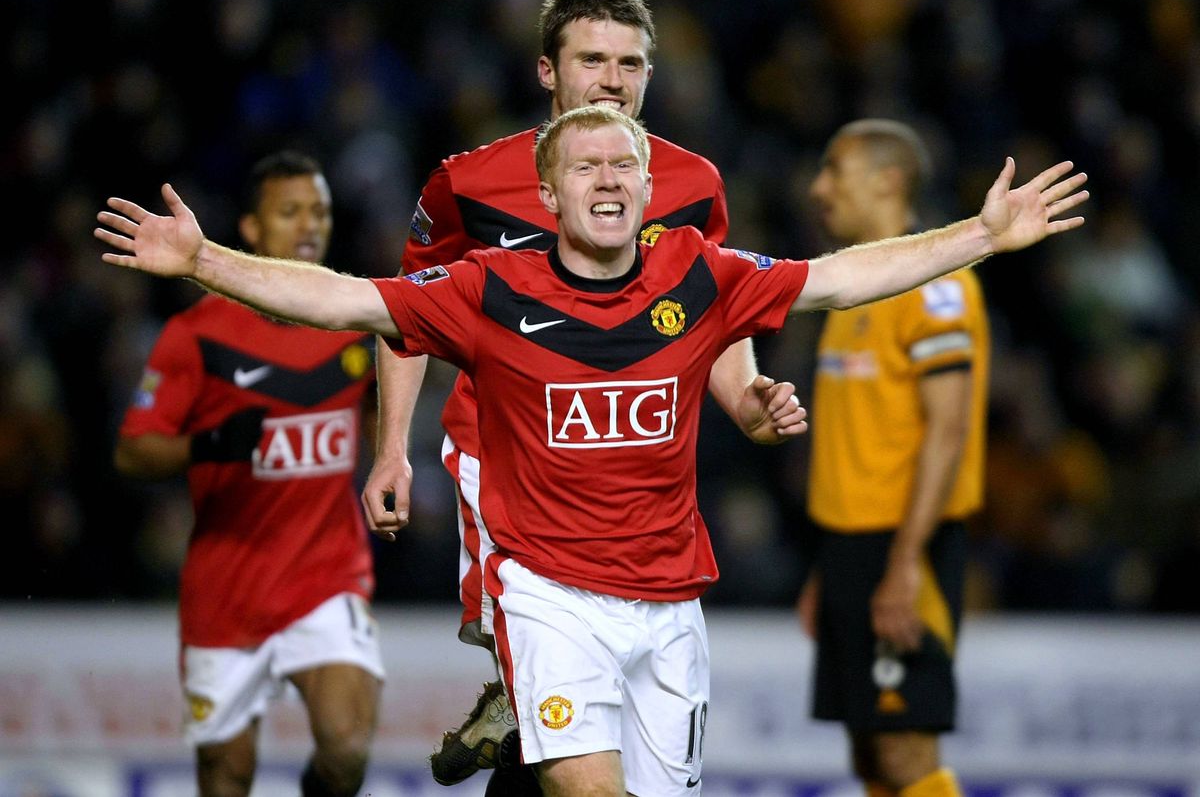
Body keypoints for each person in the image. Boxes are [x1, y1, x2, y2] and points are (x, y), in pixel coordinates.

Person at [95, 105, 1088, 796]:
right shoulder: (489, 288)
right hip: (549, 595)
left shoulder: (701, 274)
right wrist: (204, 261)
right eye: (585, 167)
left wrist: (982, 235)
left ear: (649, 187)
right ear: (548, 192)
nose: (607, 179)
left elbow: (837, 277)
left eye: (623, 165)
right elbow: (348, 299)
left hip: (670, 603)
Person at [360, 0, 803, 790]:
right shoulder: (467, 182)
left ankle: (513, 713)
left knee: (553, 738)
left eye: (630, 64)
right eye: (592, 60)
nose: (612, 80)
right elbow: (403, 315)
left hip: (631, 465)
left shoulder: (693, 183)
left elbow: (713, 309)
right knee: (546, 688)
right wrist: (392, 448)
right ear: (547, 70)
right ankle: (514, 698)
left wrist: (748, 400)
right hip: (501, 455)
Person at [112, 151, 384, 797]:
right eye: (290, 211)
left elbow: (385, 401)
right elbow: (131, 453)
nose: (310, 224)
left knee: (346, 748)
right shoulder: (196, 334)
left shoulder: (353, 315)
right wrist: (207, 444)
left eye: (319, 210)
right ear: (252, 229)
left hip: (327, 576)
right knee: (226, 776)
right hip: (227, 591)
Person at [796, 120, 990, 797]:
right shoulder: (854, 289)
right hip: (850, 547)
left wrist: (905, 563)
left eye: (834, 169)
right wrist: (830, 567)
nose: (818, 187)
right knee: (871, 753)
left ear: (888, 180)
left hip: (905, 546)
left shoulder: (936, 286)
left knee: (906, 748)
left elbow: (948, 431)